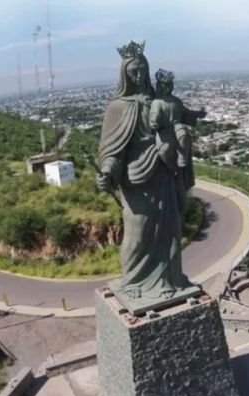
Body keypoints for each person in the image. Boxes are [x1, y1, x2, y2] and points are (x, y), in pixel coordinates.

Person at [96, 41, 199, 303]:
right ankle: (133, 279)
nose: (140, 76)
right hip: (136, 177)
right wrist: (107, 172)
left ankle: (169, 280)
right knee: (139, 231)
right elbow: (111, 150)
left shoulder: (158, 100)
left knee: (170, 229)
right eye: (134, 72)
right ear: (125, 74)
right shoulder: (118, 107)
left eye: (143, 70)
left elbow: (179, 117)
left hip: (165, 173)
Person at [150, 68, 206, 214]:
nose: (168, 88)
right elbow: (154, 117)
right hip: (164, 132)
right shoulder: (157, 102)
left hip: (176, 127)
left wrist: (198, 114)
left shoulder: (176, 101)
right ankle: (172, 168)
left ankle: (182, 159)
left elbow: (186, 112)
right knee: (165, 149)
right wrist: (155, 123)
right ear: (160, 86)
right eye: (165, 85)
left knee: (184, 133)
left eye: (170, 85)